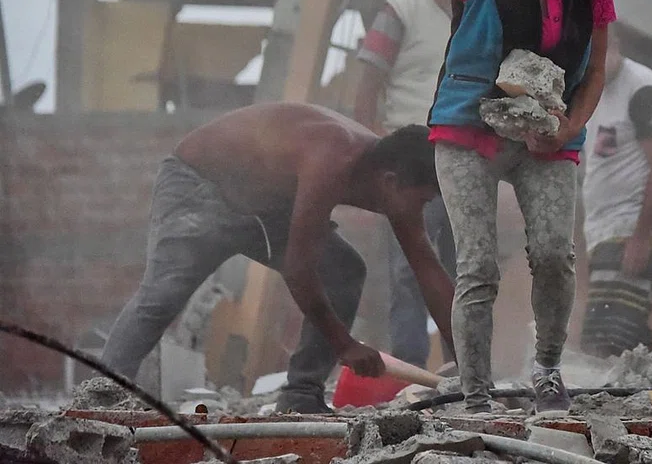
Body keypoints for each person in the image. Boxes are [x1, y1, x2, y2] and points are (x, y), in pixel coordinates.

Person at [386, 0, 616, 414]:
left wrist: (568, 129)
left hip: (546, 136)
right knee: (479, 264)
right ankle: (478, 391)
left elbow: (594, 74)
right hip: (468, 125)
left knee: (555, 257)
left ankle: (546, 371)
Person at [99, 103, 455, 414]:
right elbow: (298, 268)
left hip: (266, 207)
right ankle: (101, 400)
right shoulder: (332, 156)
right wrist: (344, 345)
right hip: (200, 186)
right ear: (391, 181)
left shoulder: (395, 181)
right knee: (162, 296)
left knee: (343, 271)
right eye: (423, 201)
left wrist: (465, 364)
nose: (421, 211)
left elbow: (429, 272)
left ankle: (301, 394)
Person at [353, 0, 458, 369]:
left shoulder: (476, 15)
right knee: (410, 267)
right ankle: (411, 368)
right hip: (413, 161)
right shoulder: (400, 12)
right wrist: (369, 158)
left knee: (464, 268)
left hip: (463, 159)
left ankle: (462, 367)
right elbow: (366, 88)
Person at [580, 26, 652, 357]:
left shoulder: (643, 89)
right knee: (623, 340)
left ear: (614, 43)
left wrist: (641, 238)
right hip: (604, 234)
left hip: (632, 232)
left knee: (605, 341)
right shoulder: (594, 91)